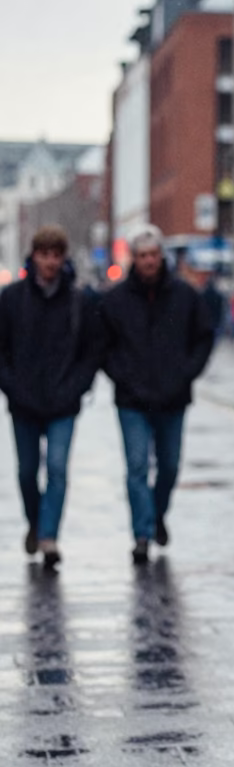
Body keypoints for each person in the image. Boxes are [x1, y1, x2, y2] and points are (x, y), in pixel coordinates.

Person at [100, 226, 214, 564]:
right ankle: (142, 534)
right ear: (133, 259)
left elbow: (204, 337)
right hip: (132, 400)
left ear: (160, 256)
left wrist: (185, 373)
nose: (148, 261)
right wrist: (123, 377)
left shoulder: (185, 295)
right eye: (141, 256)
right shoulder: (115, 299)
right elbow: (103, 348)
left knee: (168, 467)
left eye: (153, 255)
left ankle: (156, 514)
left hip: (172, 397)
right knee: (136, 468)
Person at [0, 226, 103, 567]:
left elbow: (92, 350)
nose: (50, 262)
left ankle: (48, 537)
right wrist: (12, 386)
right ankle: (35, 521)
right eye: (44, 255)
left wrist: (77, 386)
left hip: (63, 401)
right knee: (28, 472)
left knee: (57, 469)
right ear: (34, 256)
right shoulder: (12, 298)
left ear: (63, 258)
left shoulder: (78, 300)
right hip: (23, 401)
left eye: (56, 256)